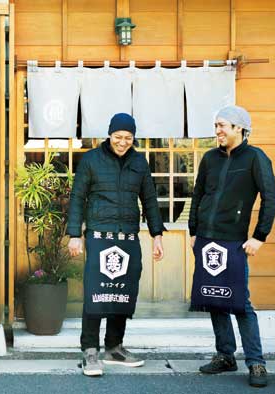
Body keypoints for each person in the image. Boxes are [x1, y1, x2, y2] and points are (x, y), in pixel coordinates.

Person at [66, 113, 165, 377]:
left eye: (128, 138)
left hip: (128, 236)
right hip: (100, 236)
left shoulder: (139, 163)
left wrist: (157, 234)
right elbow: (78, 197)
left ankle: (114, 347)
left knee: (121, 293)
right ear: (109, 135)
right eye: (118, 137)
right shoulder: (91, 160)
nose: (123, 143)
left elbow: (150, 199)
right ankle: (90, 350)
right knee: (97, 294)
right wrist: (75, 233)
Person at [188, 105, 275, 388]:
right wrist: (193, 231)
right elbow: (198, 193)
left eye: (222, 126)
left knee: (240, 303)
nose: (217, 131)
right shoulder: (210, 158)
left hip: (235, 241)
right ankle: (225, 356)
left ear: (239, 128)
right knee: (214, 298)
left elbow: (270, 198)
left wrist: (259, 237)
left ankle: (256, 362)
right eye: (216, 126)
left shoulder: (255, 158)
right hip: (205, 238)